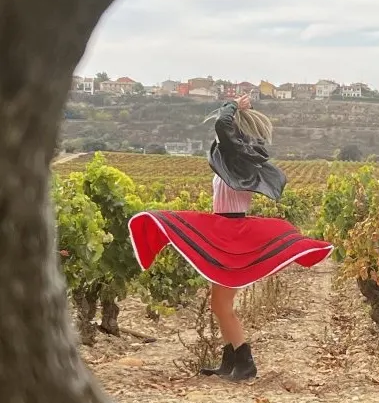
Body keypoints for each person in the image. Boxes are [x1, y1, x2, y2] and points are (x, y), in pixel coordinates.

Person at [128, 93, 333, 381]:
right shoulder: (238, 157)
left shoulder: (237, 156)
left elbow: (222, 126)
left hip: (230, 233)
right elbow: (224, 130)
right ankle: (230, 362)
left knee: (223, 306)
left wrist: (232, 106)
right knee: (219, 306)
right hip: (224, 229)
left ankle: (245, 363)